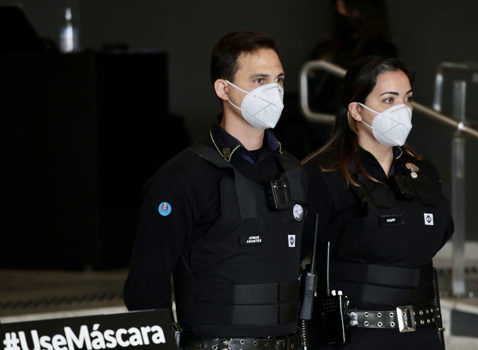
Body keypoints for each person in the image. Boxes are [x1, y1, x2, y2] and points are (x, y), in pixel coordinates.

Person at [123, 31, 307, 349]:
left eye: (278, 79)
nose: (273, 91)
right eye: (259, 80)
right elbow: (145, 288)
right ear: (223, 88)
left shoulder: (292, 170)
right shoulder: (182, 177)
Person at [302, 57, 454, 349]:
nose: (402, 109)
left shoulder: (422, 173)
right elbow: (293, 252)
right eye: (388, 99)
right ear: (357, 110)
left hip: (422, 333)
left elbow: (440, 233)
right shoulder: (323, 174)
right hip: (355, 336)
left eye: (407, 98)